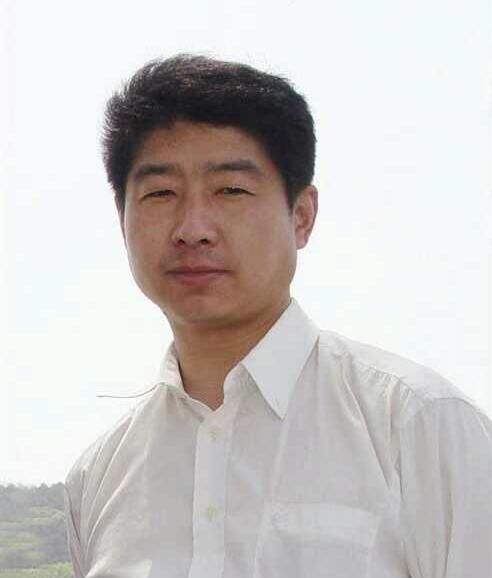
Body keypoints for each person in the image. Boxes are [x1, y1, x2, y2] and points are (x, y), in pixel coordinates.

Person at [63, 54, 492, 578]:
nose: (193, 229)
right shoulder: (100, 476)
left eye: (231, 190)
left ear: (302, 216)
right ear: (122, 220)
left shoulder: (420, 425)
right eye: (161, 193)